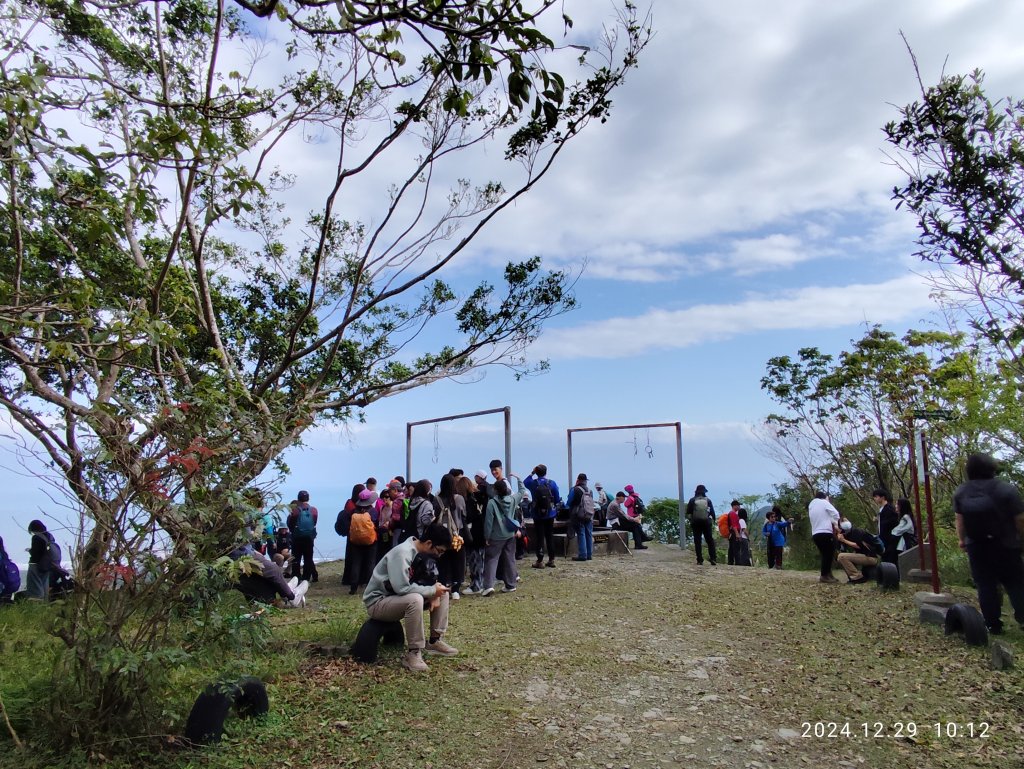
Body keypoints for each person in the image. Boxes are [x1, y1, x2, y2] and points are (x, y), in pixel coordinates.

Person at [362, 521, 457, 672]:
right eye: (439, 551)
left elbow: (428, 581)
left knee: (442, 593)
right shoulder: (403, 553)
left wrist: (435, 592)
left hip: (397, 599)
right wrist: (431, 591)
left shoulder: (422, 555)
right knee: (415, 599)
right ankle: (414, 652)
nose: (439, 555)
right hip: (378, 602)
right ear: (428, 543)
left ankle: (434, 640)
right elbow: (402, 588)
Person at [953, 452, 1024, 635]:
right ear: (992, 468)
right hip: (1007, 544)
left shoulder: (962, 491)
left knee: (985, 584)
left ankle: (993, 624)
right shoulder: (1006, 489)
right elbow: (1020, 519)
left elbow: (960, 521)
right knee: (1015, 582)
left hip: (977, 545)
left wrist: (962, 540)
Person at [482, 474, 524, 595]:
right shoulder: (512, 499)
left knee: (491, 559)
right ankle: (511, 585)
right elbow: (522, 491)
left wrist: (487, 537)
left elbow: (488, 522)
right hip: (510, 534)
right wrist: (518, 478)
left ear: (495, 490)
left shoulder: (491, 503)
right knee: (510, 559)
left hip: (496, 536)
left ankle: (489, 586)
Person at [233, 548, 309, 607]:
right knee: (273, 569)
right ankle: (292, 597)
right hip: (241, 556)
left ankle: (286, 591)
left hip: (241, 555)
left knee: (264, 575)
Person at [435, 473, 467, 600]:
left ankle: (444, 587)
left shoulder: (437, 499)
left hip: (441, 535)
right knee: (458, 561)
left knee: (443, 561)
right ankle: (456, 590)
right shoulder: (459, 499)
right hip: (456, 535)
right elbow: (463, 514)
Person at [343, 489, 379, 595]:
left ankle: (353, 587)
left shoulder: (354, 511)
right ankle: (370, 586)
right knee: (370, 563)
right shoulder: (372, 511)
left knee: (356, 563)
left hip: (356, 541)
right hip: (370, 541)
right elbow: (376, 523)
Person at [524, 464, 560, 568]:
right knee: (549, 536)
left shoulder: (533, 483)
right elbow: (557, 498)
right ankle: (551, 559)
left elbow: (525, 481)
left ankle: (540, 561)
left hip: (537, 514)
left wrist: (532, 472)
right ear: (546, 472)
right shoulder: (551, 483)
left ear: (537, 472)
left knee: (539, 537)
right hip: (550, 514)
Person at [458, 473, 486, 594]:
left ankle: (476, 585)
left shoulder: (468, 500)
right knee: (481, 559)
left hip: (472, 534)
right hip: (481, 532)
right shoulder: (479, 497)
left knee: (474, 560)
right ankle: (481, 582)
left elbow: (468, 517)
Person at [808, 492, 840, 583]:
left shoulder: (812, 505)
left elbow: (825, 517)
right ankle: (824, 575)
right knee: (829, 554)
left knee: (825, 554)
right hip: (825, 532)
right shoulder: (823, 502)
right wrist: (836, 523)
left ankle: (828, 574)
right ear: (824, 498)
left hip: (815, 534)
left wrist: (833, 522)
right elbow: (836, 514)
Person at [835, 519, 881, 584]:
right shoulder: (846, 535)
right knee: (841, 557)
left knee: (842, 557)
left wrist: (843, 540)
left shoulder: (857, 532)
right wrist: (839, 540)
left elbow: (859, 546)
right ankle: (853, 577)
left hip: (871, 557)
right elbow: (841, 549)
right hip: (863, 556)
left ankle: (857, 578)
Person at [287, 490, 318, 584]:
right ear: (308, 498)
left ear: (298, 498)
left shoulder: (295, 510)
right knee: (308, 557)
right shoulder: (314, 510)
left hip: (297, 537)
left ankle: (296, 576)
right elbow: (314, 522)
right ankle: (306, 577)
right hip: (309, 537)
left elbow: (290, 523)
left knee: (296, 558)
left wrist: (294, 531)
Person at [566, 473, 596, 561]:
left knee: (581, 533)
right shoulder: (590, 491)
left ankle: (582, 555)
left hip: (578, 514)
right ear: (586, 481)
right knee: (589, 533)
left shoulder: (575, 489)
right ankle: (589, 554)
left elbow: (569, 502)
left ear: (578, 480)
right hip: (589, 514)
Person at [686, 484, 717, 565]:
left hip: (696, 523)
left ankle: (700, 559)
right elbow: (712, 512)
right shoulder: (708, 500)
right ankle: (713, 558)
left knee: (697, 541)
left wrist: (691, 520)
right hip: (706, 522)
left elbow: (688, 512)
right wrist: (713, 520)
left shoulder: (692, 500)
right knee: (710, 540)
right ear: (704, 492)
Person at [26, 520, 57, 600]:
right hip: (46, 565)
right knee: (44, 585)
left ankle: (36, 604)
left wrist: (30, 550)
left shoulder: (36, 537)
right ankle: (44, 603)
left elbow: (36, 553)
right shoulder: (49, 537)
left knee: (35, 586)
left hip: (35, 565)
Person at [873, 488, 899, 565]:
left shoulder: (889, 509)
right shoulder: (882, 509)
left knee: (890, 559)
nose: (875, 499)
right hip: (883, 538)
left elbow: (892, 523)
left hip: (890, 539)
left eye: (876, 496)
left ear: (882, 497)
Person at [725, 500, 742, 565]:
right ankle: (737, 563)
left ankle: (730, 562)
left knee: (731, 548)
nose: (739, 507)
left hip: (732, 533)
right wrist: (737, 534)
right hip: (734, 532)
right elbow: (734, 525)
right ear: (734, 506)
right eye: (738, 505)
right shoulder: (733, 513)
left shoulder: (732, 513)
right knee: (736, 548)